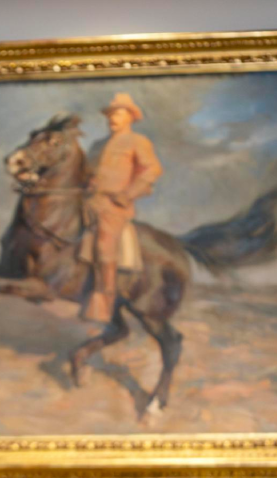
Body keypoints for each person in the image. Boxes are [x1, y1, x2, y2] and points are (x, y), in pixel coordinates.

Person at [78, 93, 163, 322]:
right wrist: (88, 182)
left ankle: (104, 303)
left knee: (105, 246)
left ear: (130, 117)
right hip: (88, 202)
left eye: (118, 113)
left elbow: (152, 170)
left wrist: (128, 194)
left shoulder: (137, 142)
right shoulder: (97, 145)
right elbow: (86, 173)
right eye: (110, 114)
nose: (112, 117)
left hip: (113, 206)